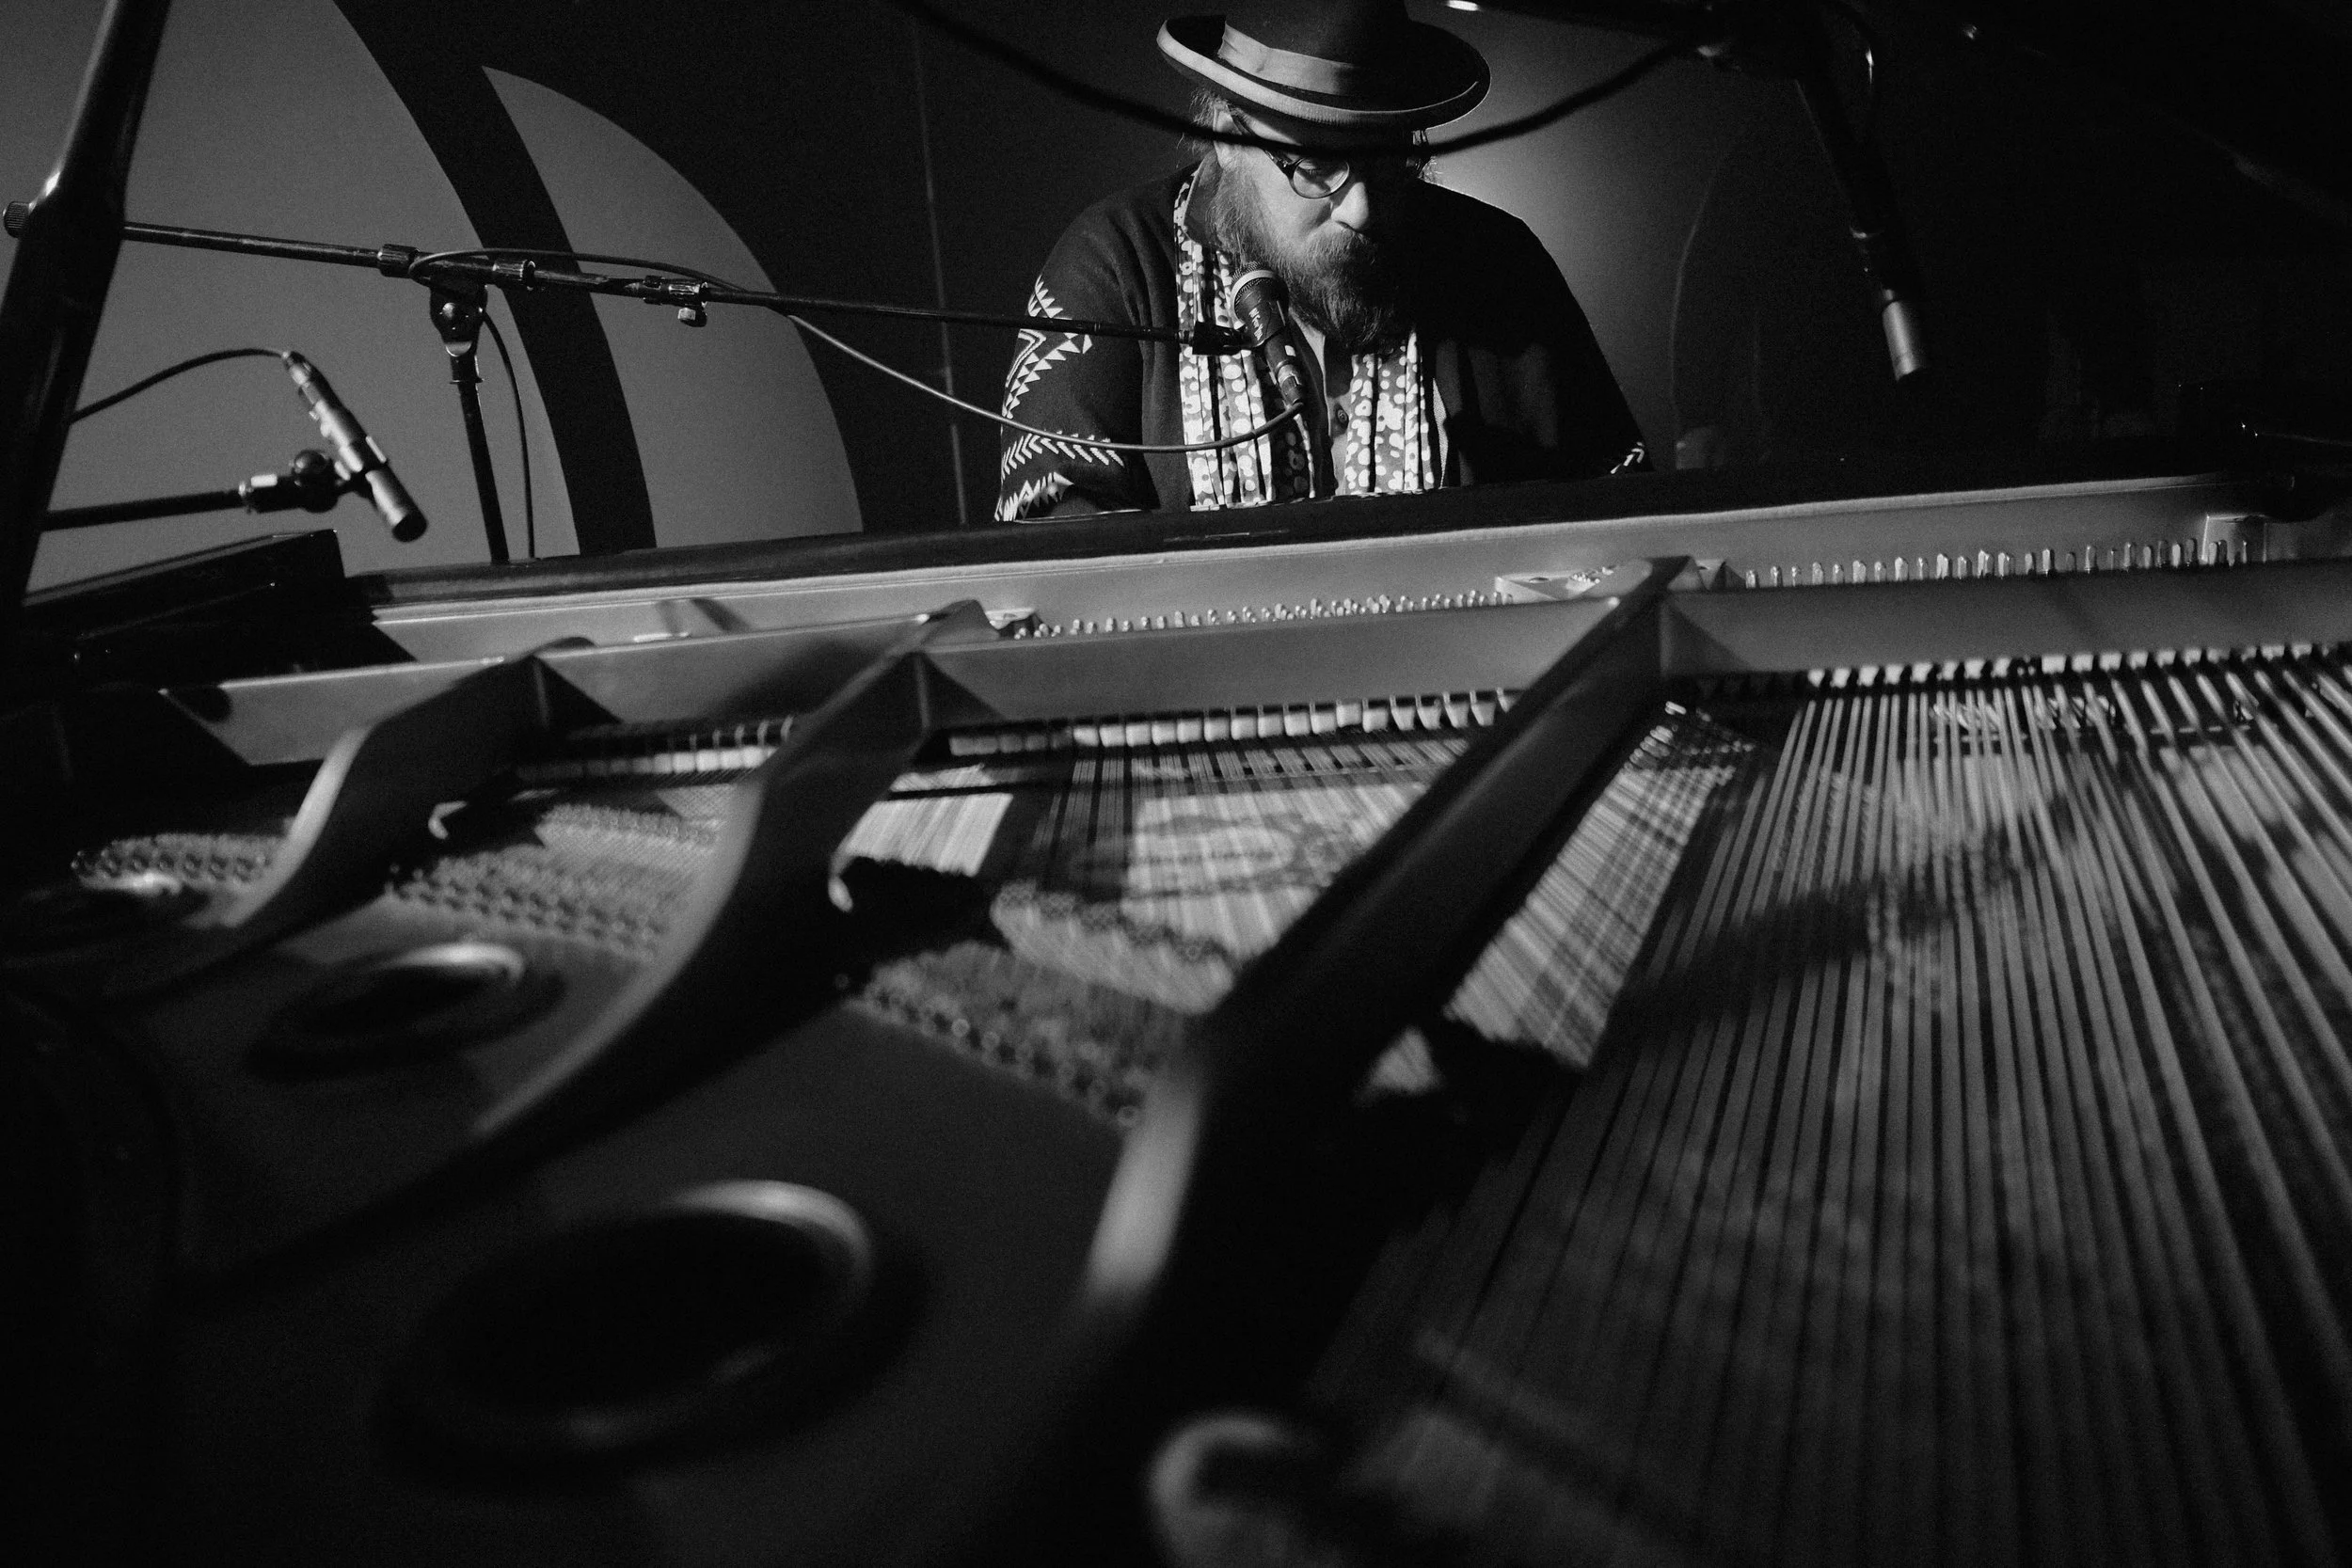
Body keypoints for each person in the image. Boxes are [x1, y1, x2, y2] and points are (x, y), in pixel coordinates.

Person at [995, 0, 1648, 523]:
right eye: (1316, 166)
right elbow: (1052, 564)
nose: (1360, 208)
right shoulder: (1111, 267)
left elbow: (1627, 520)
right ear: (1227, 132)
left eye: (1389, 161)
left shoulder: (1498, 266)